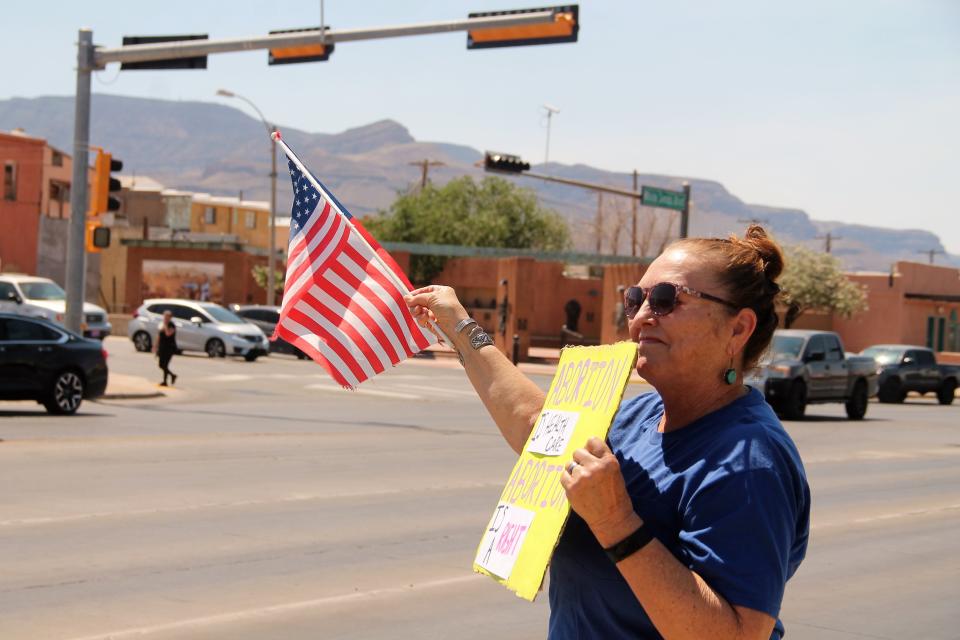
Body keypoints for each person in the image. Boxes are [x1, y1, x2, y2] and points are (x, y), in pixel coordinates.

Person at [405, 225, 810, 640]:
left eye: (668, 300)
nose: (641, 315)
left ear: (738, 329)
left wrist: (615, 520)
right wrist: (460, 326)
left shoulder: (748, 461)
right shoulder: (641, 413)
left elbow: (739, 635)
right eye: (636, 299)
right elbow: (537, 428)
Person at [155, 310, 178, 387]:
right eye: (164, 316)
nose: (165, 318)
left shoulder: (172, 325)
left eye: (167, 317)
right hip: (162, 347)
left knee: (165, 365)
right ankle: (172, 375)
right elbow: (159, 335)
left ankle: (165, 381)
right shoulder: (162, 324)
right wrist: (155, 346)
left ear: (170, 317)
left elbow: (168, 334)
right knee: (161, 365)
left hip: (169, 348)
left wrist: (165, 326)